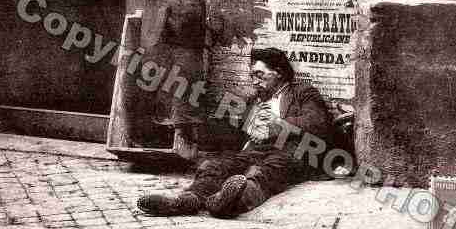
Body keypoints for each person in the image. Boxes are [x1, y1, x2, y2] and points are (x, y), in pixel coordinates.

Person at [137, 47, 333, 218]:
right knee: (216, 166)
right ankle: (188, 200)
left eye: (259, 74)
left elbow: (317, 123)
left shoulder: (303, 93)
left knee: (266, 172)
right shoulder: (252, 102)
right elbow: (232, 136)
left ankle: (230, 204)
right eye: (252, 76)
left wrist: (275, 127)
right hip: (253, 151)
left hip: (289, 151)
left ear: (278, 73)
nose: (254, 81)